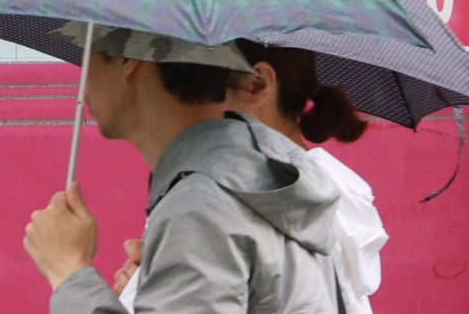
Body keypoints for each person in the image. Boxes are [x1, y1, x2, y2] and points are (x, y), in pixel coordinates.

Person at [24, 27, 342, 313]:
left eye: (88, 53)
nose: (83, 78)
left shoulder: (200, 208)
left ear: (128, 60)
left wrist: (69, 271)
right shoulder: (255, 180)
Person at [113, 41, 388, 313]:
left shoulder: (281, 200)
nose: (180, 105)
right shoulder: (273, 193)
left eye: (196, 86)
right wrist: (147, 286)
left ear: (256, 85)